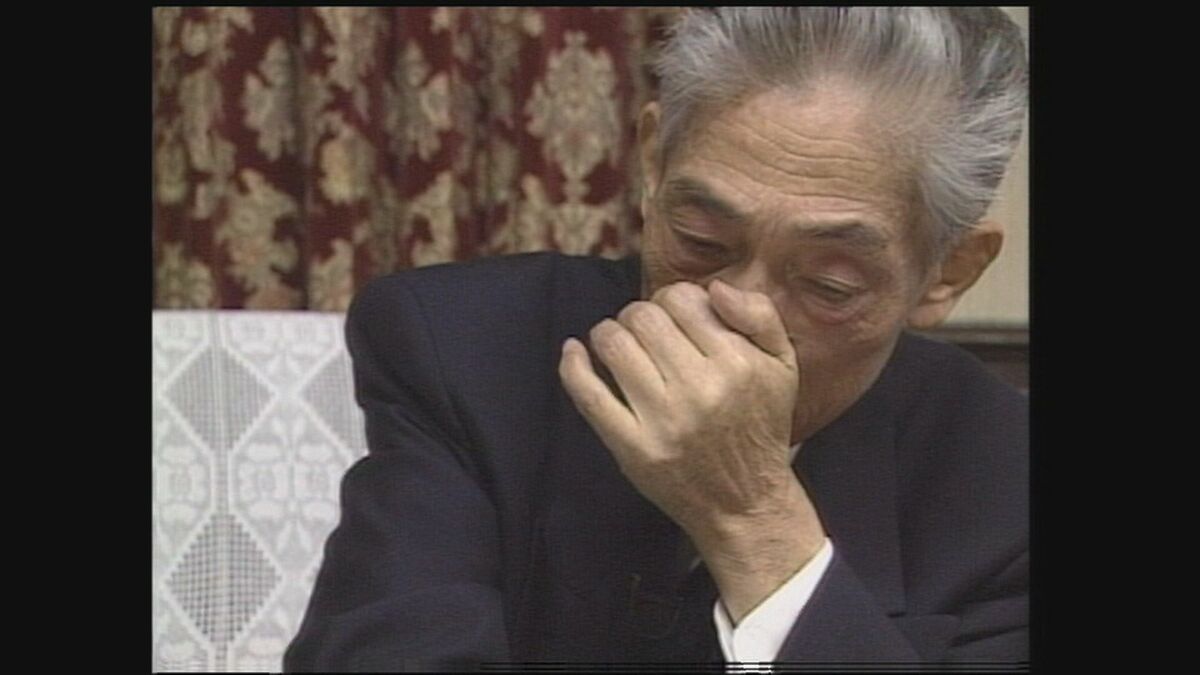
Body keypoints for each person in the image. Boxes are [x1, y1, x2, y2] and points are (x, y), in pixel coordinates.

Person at [284, 7, 1029, 670]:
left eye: (827, 283)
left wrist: (754, 521)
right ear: (652, 163)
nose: (736, 313)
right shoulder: (466, 350)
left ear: (947, 273)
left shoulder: (1005, 484)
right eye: (701, 242)